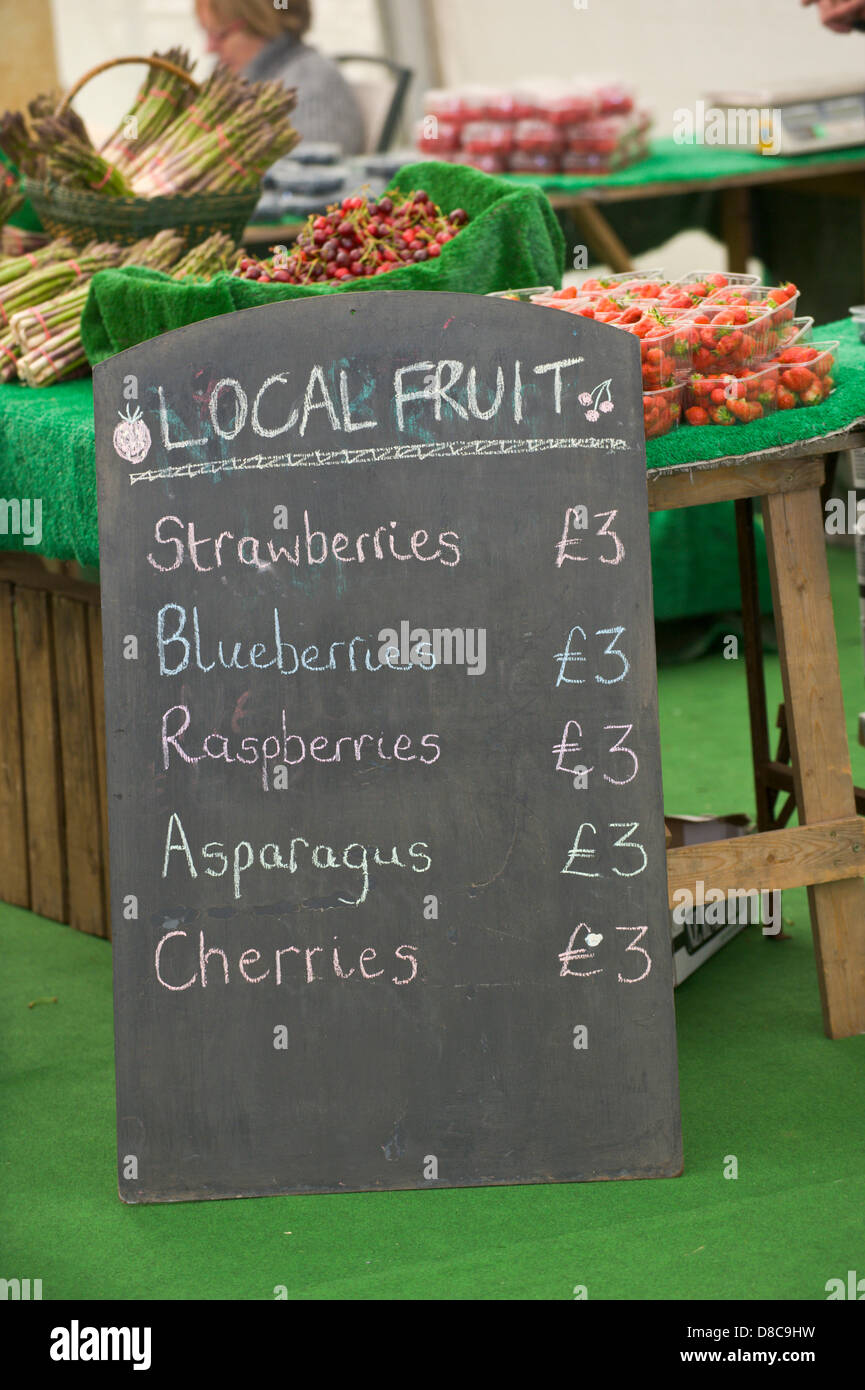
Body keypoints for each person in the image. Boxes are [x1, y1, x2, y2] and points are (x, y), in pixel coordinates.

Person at [194, 0, 365, 154]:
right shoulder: (235, 77)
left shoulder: (312, 82)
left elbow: (310, 174)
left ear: (260, 24)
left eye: (219, 35)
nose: (209, 48)